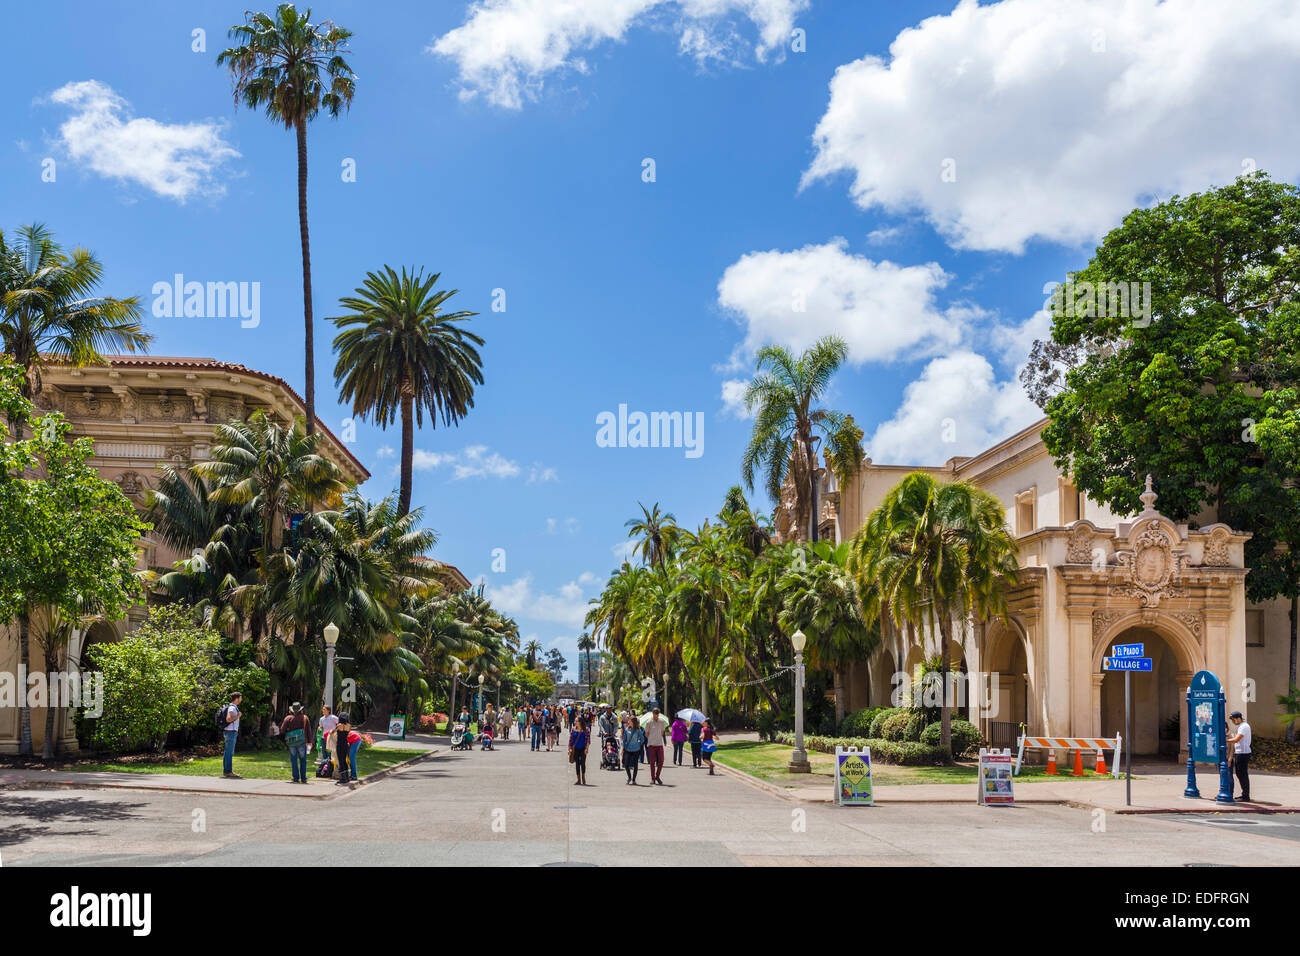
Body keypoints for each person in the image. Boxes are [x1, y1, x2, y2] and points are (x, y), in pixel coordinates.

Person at [281, 702, 311, 784]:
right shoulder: (305, 718)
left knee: (293, 759)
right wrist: (309, 741)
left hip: (291, 742)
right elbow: (308, 730)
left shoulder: (288, 718)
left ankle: (295, 777)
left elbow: (282, 730)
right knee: (303, 760)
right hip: (302, 741)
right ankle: (303, 778)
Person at [1227, 710, 1252, 802]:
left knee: (1242, 774)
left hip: (1243, 753)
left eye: (1233, 720)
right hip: (1240, 753)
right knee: (1240, 774)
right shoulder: (1242, 726)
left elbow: (1236, 739)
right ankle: (1244, 794)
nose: (1233, 722)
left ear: (1238, 718)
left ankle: (1245, 796)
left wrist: (1224, 740)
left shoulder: (1244, 727)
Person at [643, 707, 669, 785]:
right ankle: (653, 778)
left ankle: (657, 776)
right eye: (655, 714)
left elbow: (662, 732)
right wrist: (652, 738)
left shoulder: (661, 722)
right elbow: (646, 734)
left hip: (659, 744)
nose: (656, 715)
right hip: (651, 744)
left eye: (657, 714)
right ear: (653, 714)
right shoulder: (649, 722)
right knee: (652, 762)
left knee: (661, 761)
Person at [220, 692, 242, 778]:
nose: (241, 699)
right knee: (229, 752)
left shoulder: (232, 707)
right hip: (231, 732)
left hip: (230, 732)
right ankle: (228, 771)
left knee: (228, 751)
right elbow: (228, 719)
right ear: (237, 698)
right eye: (240, 698)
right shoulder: (232, 708)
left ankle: (227, 771)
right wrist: (238, 716)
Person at [622, 716, 646, 785]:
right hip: (628, 749)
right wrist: (624, 747)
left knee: (635, 765)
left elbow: (642, 739)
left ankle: (634, 779)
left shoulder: (638, 730)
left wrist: (638, 744)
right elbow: (624, 739)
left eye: (630, 721)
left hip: (636, 749)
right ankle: (629, 777)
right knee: (626, 765)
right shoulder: (627, 730)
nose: (628, 722)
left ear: (633, 722)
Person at [335, 713, 356, 784]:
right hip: (346, 744)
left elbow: (332, 732)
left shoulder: (339, 725)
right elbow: (348, 733)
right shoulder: (349, 726)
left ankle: (343, 778)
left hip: (340, 744)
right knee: (344, 760)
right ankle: (346, 777)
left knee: (341, 761)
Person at [570, 717, 591, 785]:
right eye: (575, 721)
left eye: (576, 721)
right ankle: (578, 779)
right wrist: (569, 749)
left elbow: (588, 740)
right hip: (575, 749)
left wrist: (587, 748)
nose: (575, 722)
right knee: (577, 764)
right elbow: (571, 740)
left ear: (580, 722)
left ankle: (583, 778)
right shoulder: (573, 729)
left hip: (583, 748)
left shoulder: (586, 729)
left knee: (582, 763)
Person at [319, 705, 339, 773]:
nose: (323, 711)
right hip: (323, 738)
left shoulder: (333, 717)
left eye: (324, 709)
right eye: (323, 709)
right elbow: (321, 727)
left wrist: (334, 731)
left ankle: (331, 768)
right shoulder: (322, 719)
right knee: (324, 753)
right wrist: (319, 728)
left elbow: (339, 725)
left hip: (331, 738)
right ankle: (325, 768)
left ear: (328, 710)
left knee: (331, 753)